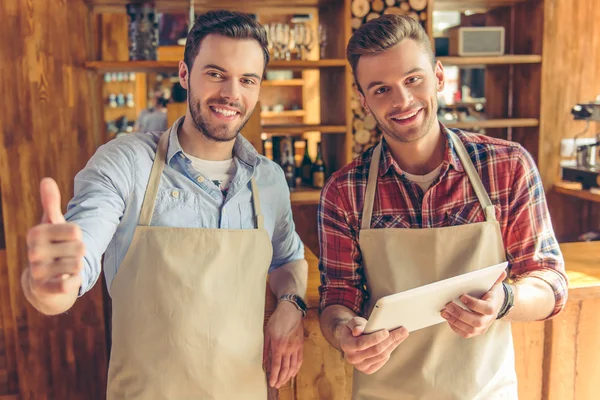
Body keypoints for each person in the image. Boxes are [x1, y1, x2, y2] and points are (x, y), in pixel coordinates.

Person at [22, 10, 308, 399]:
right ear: (185, 74)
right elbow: (74, 268)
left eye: (247, 80)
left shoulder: (269, 179)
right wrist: (49, 284)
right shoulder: (126, 163)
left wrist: (291, 304)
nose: (231, 93)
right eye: (215, 73)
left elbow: (288, 260)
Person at [317, 14, 568, 400]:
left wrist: (505, 301)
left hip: (483, 391)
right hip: (384, 393)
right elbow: (339, 296)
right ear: (363, 100)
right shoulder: (343, 190)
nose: (402, 101)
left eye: (412, 79)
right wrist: (342, 333)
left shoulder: (506, 166)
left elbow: (549, 280)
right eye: (381, 89)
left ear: (438, 76)